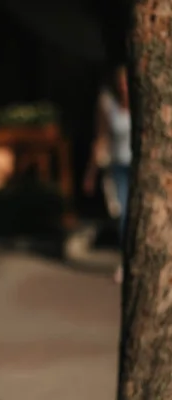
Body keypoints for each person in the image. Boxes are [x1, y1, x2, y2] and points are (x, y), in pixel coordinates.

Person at [83, 65, 131, 284]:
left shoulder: (143, 105)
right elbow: (101, 139)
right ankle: (126, 260)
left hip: (137, 168)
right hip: (118, 168)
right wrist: (91, 173)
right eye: (120, 82)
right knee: (122, 216)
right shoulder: (108, 105)